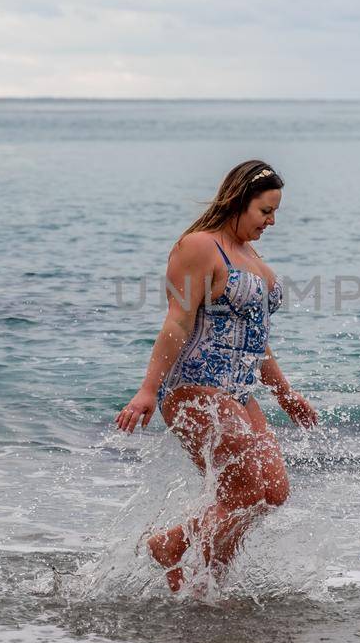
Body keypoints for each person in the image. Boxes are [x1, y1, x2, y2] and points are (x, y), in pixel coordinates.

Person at [115, 160, 318, 591]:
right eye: (265, 211)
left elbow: (257, 339)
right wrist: (148, 390)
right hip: (195, 387)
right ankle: (169, 546)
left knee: (272, 493)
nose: (272, 221)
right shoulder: (200, 246)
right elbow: (178, 322)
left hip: (241, 393)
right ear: (238, 202)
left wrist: (285, 394)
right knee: (244, 492)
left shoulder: (252, 257)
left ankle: (209, 586)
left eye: (275, 212)